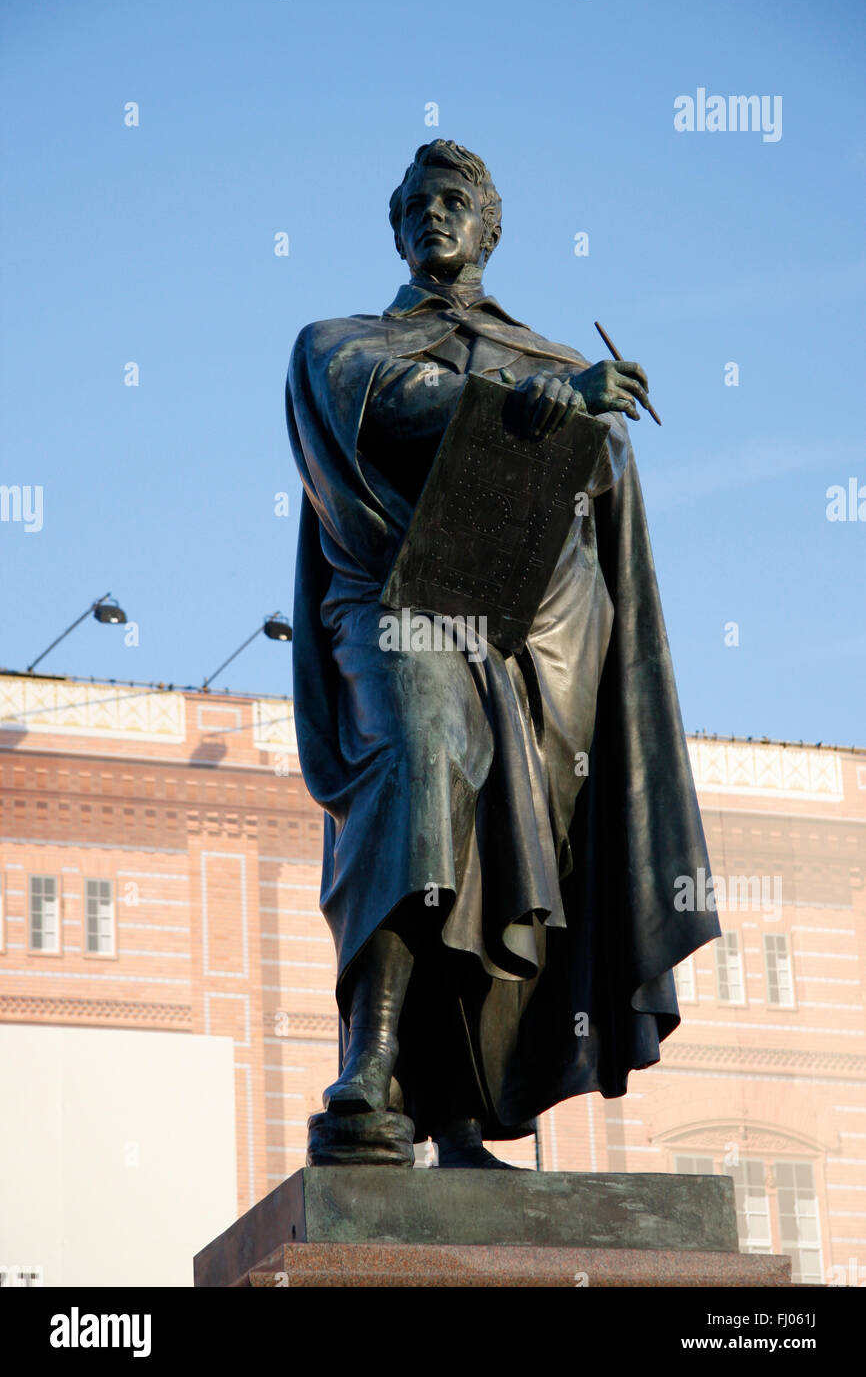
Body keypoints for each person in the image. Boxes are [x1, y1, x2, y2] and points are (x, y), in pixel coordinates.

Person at [286, 140, 720, 1167]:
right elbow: (380, 405)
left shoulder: (550, 357)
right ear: (395, 229)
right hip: (392, 603)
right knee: (421, 758)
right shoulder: (339, 341)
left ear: (488, 228)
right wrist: (519, 407)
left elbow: (602, 481)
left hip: (534, 633)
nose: (434, 216)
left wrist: (591, 423)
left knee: (510, 843)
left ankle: (464, 1115)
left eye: (453, 203)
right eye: (417, 205)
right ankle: (373, 1059)